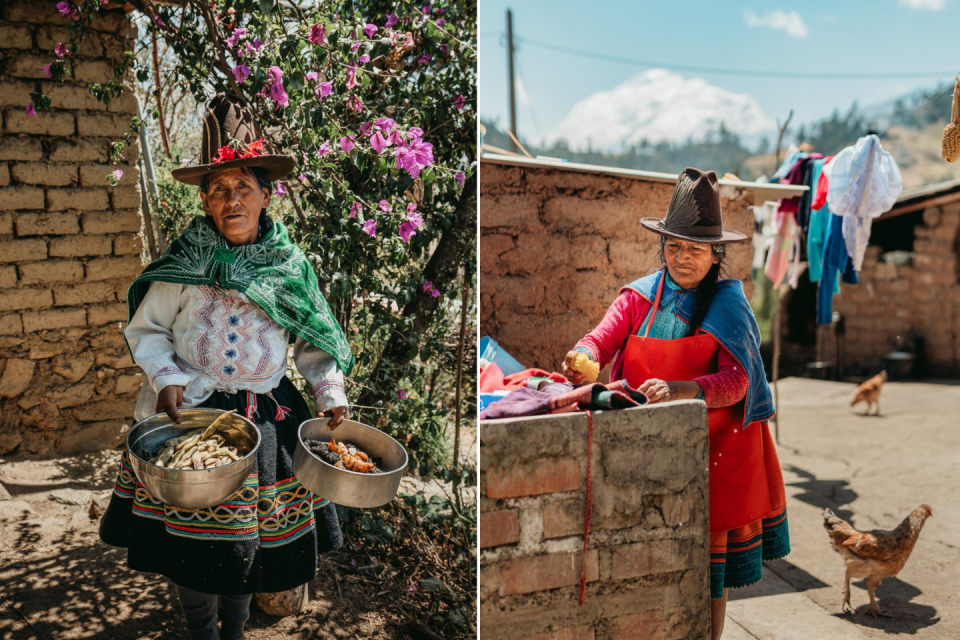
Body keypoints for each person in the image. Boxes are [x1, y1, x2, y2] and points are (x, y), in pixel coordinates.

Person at [99, 93, 354, 640]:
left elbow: (313, 341)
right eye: (218, 189)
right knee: (188, 543)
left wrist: (329, 390)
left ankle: (234, 631)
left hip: (264, 421)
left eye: (243, 187)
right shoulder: (184, 264)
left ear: (266, 195)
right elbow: (147, 330)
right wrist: (166, 379)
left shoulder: (289, 266)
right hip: (192, 418)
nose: (231, 199)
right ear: (206, 201)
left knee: (246, 545)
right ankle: (203, 633)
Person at [562, 168, 789, 640]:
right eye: (674, 247)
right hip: (645, 446)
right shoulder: (638, 298)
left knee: (708, 573)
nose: (682, 258)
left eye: (695, 248)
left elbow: (739, 380)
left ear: (715, 253)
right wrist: (585, 357)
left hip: (716, 452)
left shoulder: (729, 305)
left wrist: (685, 389)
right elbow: (601, 341)